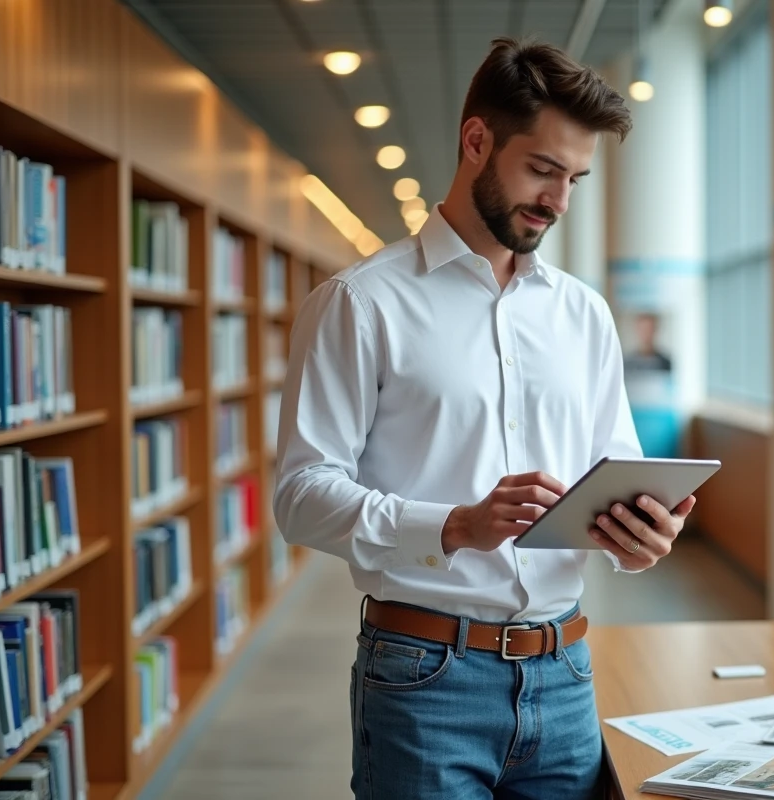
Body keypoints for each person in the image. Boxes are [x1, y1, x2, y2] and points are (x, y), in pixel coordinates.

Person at [273, 36, 696, 800]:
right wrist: (455, 525)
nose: (558, 200)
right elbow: (301, 497)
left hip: (565, 675)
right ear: (476, 142)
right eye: (542, 169)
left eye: (575, 179)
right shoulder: (361, 303)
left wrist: (641, 537)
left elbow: (613, 476)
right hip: (424, 681)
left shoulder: (583, 315)